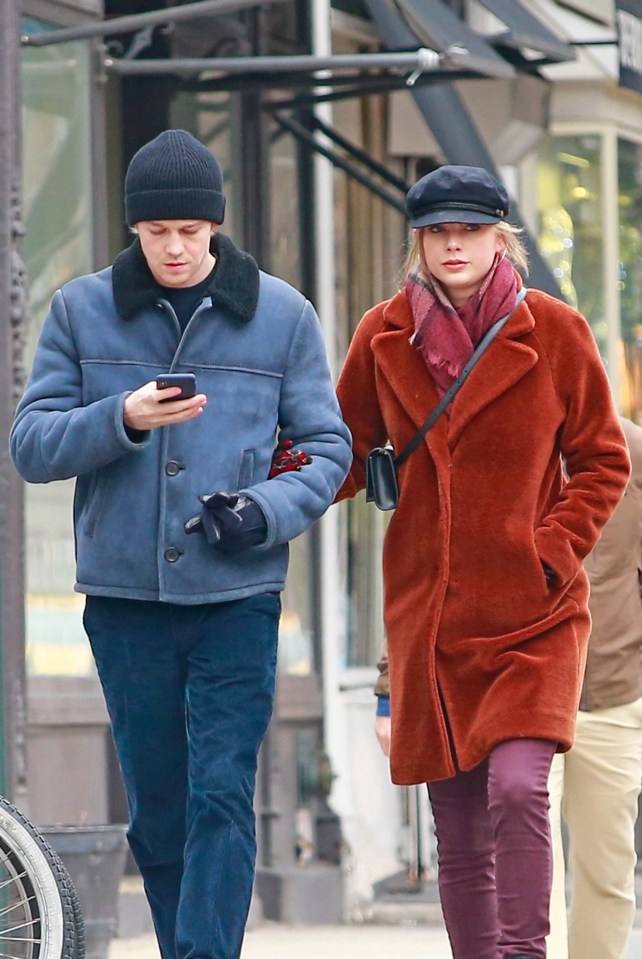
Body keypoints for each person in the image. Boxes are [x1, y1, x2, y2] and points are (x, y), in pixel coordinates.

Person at [10, 129, 352, 959]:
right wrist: (120, 418)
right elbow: (31, 443)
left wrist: (263, 510)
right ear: (133, 229)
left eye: (189, 232)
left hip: (237, 597)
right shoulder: (81, 310)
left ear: (215, 228)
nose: (173, 247)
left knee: (223, 793)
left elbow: (327, 446)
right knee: (160, 809)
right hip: (125, 601)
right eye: (156, 231)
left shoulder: (282, 316)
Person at [335, 164, 630, 959]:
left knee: (518, 785)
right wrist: (264, 483)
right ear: (418, 241)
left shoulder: (556, 330)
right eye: (438, 231)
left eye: (469, 229)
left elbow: (604, 460)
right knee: (459, 824)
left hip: (534, 614)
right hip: (432, 620)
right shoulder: (382, 333)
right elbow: (345, 454)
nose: (454, 243)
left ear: (503, 236)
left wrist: (550, 549)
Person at [546, 415, 642, 959]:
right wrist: (391, 685)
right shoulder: (499, 433)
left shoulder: (631, 450)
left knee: (608, 876)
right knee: (529, 871)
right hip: (522, 691)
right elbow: (432, 560)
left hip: (612, 695)